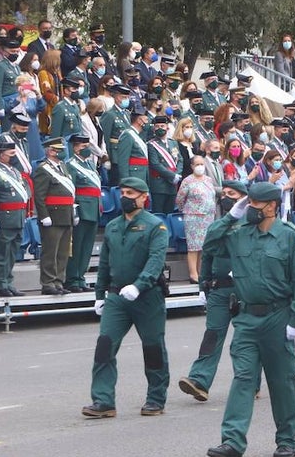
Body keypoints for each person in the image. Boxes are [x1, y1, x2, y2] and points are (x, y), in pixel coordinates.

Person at [204, 182, 295, 457]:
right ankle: (232, 441)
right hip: (247, 318)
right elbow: (210, 243)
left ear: (272, 206)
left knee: (281, 382)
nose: (251, 208)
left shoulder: (289, 235)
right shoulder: (239, 233)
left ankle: (286, 440)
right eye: (248, 202)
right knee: (243, 378)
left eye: (255, 203)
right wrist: (231, 216)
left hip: (278, 316)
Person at [81, 178, 170, 419]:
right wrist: (99, 294)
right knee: (104, 346)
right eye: (122, 193)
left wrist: (139, 285)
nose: (125, 197)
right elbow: (105, 263)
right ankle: (103, 401)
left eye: (131, 193)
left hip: (147, 297)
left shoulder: (156, 226)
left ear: (144, 197)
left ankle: (156, 399)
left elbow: (156, 261)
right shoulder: (113, 226)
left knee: (153, 348)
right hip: (117, 296)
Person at [178, 181, 248, 403]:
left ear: (243, 198)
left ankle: (249, 381)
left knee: (244, 340)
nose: (225, 197)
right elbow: (208, 253)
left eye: (231, 194)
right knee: (212, 335)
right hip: (219, 289)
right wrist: (203, 285)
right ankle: (199, 379)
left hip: (244, 289)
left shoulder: (251, 225)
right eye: (223, 193)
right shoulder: (219, 225)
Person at [32, 137, 78, 295]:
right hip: (52, 216)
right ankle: (48, 282)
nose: (63, 152)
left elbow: (69, 193)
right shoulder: (43, 169)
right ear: (51, 151)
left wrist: (73, 212)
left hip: (66, 214)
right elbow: (39, 196)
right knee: (50, 252)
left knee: (63, 252)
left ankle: (58, 281)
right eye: (59, 150)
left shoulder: (62, 167)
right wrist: (44, 215)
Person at [0, 138, 30, 297]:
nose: (14, 157)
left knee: (12, 253)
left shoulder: (15, 171)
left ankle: (9, 282)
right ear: (1, 154)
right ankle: (2, 285)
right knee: (2, 254)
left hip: (17, 218)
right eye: (11, 153)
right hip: (4, 219)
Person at [63, 134, 101, 292]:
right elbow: (71, 189)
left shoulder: (90, 164)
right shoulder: (71, 165)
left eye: (87, 146)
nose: (86, 149)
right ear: (75, 148)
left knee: (86, 248)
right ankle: (72, 279)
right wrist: (73, 211)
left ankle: (80, 277)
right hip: (81, 209)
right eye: (83, 146)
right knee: (77, 247)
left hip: (93, 209)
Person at [175, 155, 217, 283]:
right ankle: (193, 274)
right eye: (197, 164)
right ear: (192, 166)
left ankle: (201, 271)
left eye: (202, 164)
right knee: (194, 247)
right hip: (193, 217)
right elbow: (180, 199)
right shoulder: (187, 181)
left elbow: (212, 196)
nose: (200, 167)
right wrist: (187, 210)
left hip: (208, 217)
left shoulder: (208, 180)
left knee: (204, 247)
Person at [146, 115, 180, 214]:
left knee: (170, 214)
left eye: (162, 126)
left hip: (172, 185)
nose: (160, 128)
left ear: (167, 128)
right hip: (159, 185)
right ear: (153, 129)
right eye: (157, 126)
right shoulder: (151, 144)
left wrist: (178, 174)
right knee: (159, 214)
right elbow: (155, 164)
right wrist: (172, 175)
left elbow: (180, 160)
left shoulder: (173, 143)